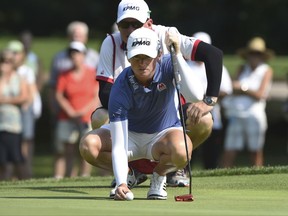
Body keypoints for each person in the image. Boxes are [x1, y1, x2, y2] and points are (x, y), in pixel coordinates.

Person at [90, 0, 223, 188]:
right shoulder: (111, 43)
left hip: (168, 111)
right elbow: (105, 93)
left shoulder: (166, 35)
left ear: (149, 23)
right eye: (124, 25)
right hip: (128, 112)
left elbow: (213, 55)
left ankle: (173, 166)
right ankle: (130, 171)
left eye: (135, 24)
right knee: (99, 117)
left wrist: (209, 100)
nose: (130, 30)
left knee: (205, 120)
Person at [48, 21, 99, 178]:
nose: (75, 56)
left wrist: (83, 111)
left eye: (78, 53)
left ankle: (84, 176)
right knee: (65, 150)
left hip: (86, 116)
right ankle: (66, 177)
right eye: (72, 53)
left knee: (86, 149)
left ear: (84, 55)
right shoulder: (63, 71)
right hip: (67, 116)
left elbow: (96, 94)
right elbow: (57, 93)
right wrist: (70, 111)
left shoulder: (92, 68)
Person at [221, 36, 274, 167]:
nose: (254, 56)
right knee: (229, 150)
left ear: (262, 56)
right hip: (236, 113)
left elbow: (260, 94)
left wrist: (243, 89)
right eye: (252, 53)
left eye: (257, 54)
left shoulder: (266, 70)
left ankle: (259, 180)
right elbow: (232, 87)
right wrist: (246, 90)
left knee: (255, 151)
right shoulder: (242, 68)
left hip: (254, 115)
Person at [187, 32, 232, 169]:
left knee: (211, 156)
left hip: (213, 117)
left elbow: (226, 90)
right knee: (188, 153)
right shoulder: (186, 65)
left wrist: (205, 99)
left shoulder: (218, 67)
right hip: (188, 115)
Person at [6, 40, 40, 179]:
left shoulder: (26, 71)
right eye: (11, 52)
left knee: (26, 141)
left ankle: (25, 172)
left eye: (16, 53)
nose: (13, 56)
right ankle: (13, 174)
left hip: (26, 111)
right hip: (11, 113)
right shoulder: (6, 70)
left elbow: (30, 95)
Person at [0, 49, 28, 180]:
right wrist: (3, 78)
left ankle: (25, 182)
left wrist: (6, 100)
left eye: (7, 62)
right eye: (2, 62)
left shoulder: (19, 79)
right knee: (2, 160)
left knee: (17, 158)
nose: (4, 65)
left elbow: (23, 97)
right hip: (1, 125)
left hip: (14, 125)